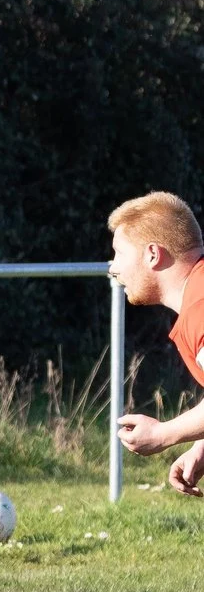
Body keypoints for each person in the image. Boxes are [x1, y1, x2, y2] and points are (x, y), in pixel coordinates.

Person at [109, 191, 204, 494]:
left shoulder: (200, 309)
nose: (113, 268)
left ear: (152, 254)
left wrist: (164, 433)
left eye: (119, 254)